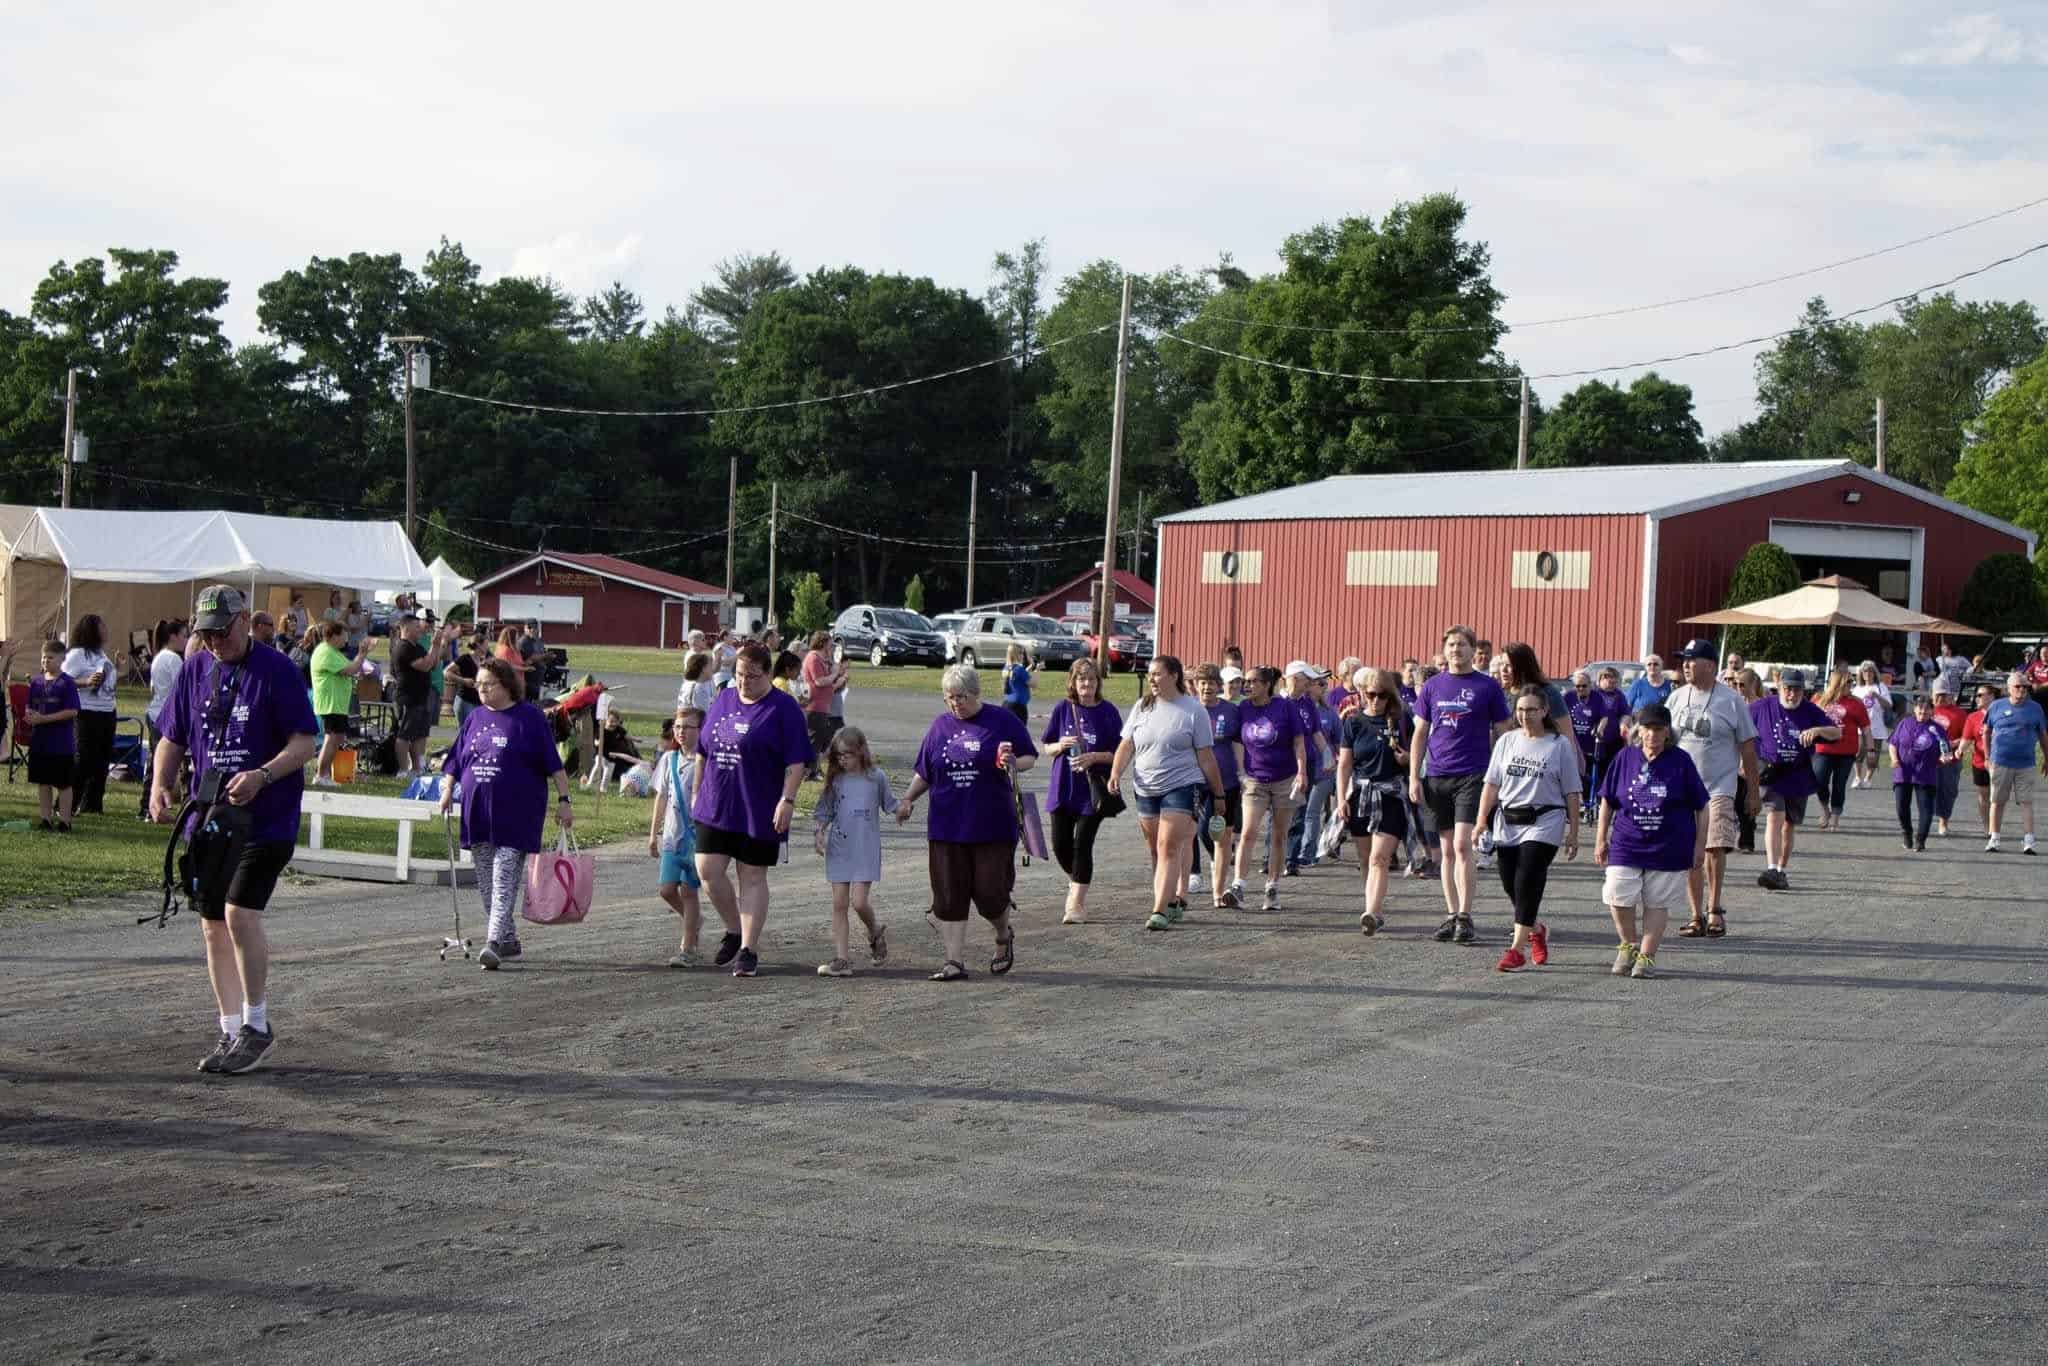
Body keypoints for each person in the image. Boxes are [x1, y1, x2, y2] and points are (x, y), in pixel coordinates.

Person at [150, 585, 318, 1074]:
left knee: (239, 913)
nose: (215, 642)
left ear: (244, 621)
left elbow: (305, 743)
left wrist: (263, 774)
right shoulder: (195, 669)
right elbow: (171, 736)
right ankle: (229, 1030)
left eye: (223, 631)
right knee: (212, 925)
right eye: (206, 634)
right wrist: (160, 784)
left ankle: (257, 1024)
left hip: (267, 816)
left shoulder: (277, 670)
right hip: (210, 818)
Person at [896, 664, 1036, 980]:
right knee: (948, 896)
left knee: (990, 894)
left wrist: (1013, 762)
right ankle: (954, 961)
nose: (956, 703)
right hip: (947, 826)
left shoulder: (1002, 720)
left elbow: (1029, 756)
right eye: (950, 697)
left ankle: (1002, 935)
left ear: (976, 694)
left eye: (962, 697)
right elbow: (925, 771)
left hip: (992, 825)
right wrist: (907, 799)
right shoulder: (939, 727)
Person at [438, 657, 573, 970]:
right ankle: (509, 940)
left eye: (489, 685)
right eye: (479, 685)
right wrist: (447, 790)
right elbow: (456, 760)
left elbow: (554, 764)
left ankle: (493, 943)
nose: (482, 690)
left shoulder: (530, 718)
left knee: (504, 878)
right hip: (479, 815)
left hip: (517, 814)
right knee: (487, 886)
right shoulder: (474, 717)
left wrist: (564, 800)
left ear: (507, 685)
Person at [694, 641, 813, 977]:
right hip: (717, 801)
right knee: (707, 870)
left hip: (758, 805)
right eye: (739, 674)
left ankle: (748, 948)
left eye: (752, 676)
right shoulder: (725, 698)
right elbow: (704, 748)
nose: (744, 681)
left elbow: (797, 761)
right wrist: (696, 791)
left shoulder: (783, 708)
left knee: (752, 875)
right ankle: (733, 929)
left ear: (768, 674)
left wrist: (787, 801)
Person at [1107, 655, 1224, 933]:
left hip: (1183, 785)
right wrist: (1116, 772)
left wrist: (1219, 794)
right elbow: (1127, 744)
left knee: (1167, 845)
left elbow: (1206, 757)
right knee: (1155, 849)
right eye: (1150, 674)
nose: (1152, 679)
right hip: (1145, 787)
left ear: (1174, 676)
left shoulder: (1193, 711)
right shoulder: (1142, 706)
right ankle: (1172, 897)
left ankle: (1159, 909)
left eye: (1157, 674)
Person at [1410, 625, 1511, 946]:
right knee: (1445, 851)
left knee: (1463, 845)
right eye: (1451, 645)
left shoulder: (1488, 687)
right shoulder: (1432, 687)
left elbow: (1504, 730)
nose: (1456, 650)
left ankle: (1466, 916)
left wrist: (1501, 773)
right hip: (1437, 775)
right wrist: (1414, 776)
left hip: (1474, 774)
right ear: (1445, 650)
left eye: (1462, 645)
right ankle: (1451, 914)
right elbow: (1420, 733)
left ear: (1472, 650)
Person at [1596, 703, 1709, 981]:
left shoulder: (1680, 761)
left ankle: (1646, 956)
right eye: (1648, 729)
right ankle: (1628, 944)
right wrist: (1600, 838)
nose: (1653, 736)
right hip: (1626, 841)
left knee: (1656, 902)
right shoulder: (1625, 757)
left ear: (1668, 733)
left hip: (1669, 844)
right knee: (1617, 893)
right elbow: (1607, 800)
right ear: (1639, 731)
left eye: (1659, 730)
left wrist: (1699, 845)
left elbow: (1702, 806)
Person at [1477, 685, 1582, 971]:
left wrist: (1573, 832)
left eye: (1532, 710)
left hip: (1545, 822)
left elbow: (1572, 791)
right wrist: (1479, 821)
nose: (1525, 715)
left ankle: (1516, 949)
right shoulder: (1507, 741)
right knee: (1511, 885)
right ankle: (1536, 929)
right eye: (1521, 709)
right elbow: (1492, 784)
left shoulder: (1558, 745)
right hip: (1508, 821)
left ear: (1545, 711)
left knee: (1528, 879)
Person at [1662, 638, 1760, 939]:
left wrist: (1754, 792)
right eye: (1684, 660)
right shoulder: (1676, 698)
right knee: (1691, 850)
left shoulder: (1730, 701)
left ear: (1710, 666)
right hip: (1683, 789)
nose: (1686, 666)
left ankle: (1715, 909)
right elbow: (1663, 740)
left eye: (1692, 660)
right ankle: (1695, 915)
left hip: (1719, 785)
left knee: (1714, 845)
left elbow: (1747, 747)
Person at [1042, 658, 1123, 924]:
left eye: (1091, 679)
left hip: (1092, 790)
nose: (1086, 684)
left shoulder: (1108, 711)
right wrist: (1061, 745)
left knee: (1082, 845)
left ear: (1098, 682)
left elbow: (1119, 754)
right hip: (1064, 786)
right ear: (1073, 682)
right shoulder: (1063, 709)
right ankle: (1078, 879)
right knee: (1060, 845)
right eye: (1081, 679)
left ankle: (1076, 905)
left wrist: (1094, 757)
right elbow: (1047, 747)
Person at [811, 726, 896, 977]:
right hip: (840, 846)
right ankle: (841, 959)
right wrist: (819, 832)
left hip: (865, 846)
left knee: (859, 902)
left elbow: (890, 804)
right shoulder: (836, 780)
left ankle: (875, 931)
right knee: (839, 903)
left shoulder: (876, 777)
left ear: (860, 751)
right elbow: (825, 811)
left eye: (846, 754)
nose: (842, 760)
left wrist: (903, 808)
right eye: (838, 756)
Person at [1750, 668, 1840, 890]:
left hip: (1798, 773)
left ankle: (1781, 871)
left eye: (1797, 690)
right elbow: (1739, 727)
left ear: (1803, 691)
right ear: (1779, 687)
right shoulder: (1762, 706)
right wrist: (1744, 761)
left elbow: (1836, 733)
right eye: (1788, 689)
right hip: (1771, 771)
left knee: (1789, 825)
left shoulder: (1810, 710)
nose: (1792, 694)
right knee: (1775, 816)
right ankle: (1771, 867)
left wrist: (1818, 729)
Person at [1336, 668, 1408, 936]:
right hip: (1361, 796)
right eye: (1370, 695)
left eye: (1381, 695)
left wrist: (1408, 759)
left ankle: (1371, 912)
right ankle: (1374, 910)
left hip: (1390, 795)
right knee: (1366, 858)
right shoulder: (1353, 723)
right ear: (1362, 694)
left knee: (1380, 857)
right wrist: (1341, 798)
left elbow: (1419, 755)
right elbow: (1344, 764)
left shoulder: (1402, 721)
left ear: (1390, 696)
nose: (1375, 700)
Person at [1232, 665, 1306, 911]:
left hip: (1284, 779)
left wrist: (1302, 772)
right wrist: (1241, 772)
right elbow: (1236, 741)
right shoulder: (1243, 708)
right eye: (1247, 681)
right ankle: (1238, 884)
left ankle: (1272, 887)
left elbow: (1298, 742)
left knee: (1278, 834)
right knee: (1248, 832)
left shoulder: (1285, 707)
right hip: (1254, 779)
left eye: (1253, 682)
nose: (1248, 686)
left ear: (1266, 685)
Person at [649, 706, 705, 967]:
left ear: (700, 730)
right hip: (672, 836)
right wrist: (653, 834)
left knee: (689, 891)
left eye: (688, 727)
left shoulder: (705, 761)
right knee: (666, 890)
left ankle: (688, 948)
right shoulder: (669, 760)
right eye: (678, 727)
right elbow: (661, 797)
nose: (681, 732)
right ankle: (693, 923)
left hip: (695, 837)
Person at [1190, 663, 1242, 911]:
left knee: (1223, 837)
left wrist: (1243, 774)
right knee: (1201, 830)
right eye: (1202, 683)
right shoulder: (1188, 710)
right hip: (1195, 782)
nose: (1207, 687)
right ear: (1196, 686)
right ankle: (1190, 879)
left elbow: (1239, 744)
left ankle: (1219, 892)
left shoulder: (1231, 711)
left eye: (1211, 683)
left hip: (1228, 781)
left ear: (1218, 686)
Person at [1982, 668, 2048, 854]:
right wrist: (1987, 757)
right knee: (1997, 801)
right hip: (2000, 761)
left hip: (2026, 763)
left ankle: (2029, 841)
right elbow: (1986, 731)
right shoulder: (1996, 706)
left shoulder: (2035, 708)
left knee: (2026, 802)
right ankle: (1994, 838)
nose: (2022, 690)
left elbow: (2043, 735)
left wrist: (2047, 758)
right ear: (2009, 688)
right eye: (2018, 686)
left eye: (2025, 687)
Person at [61, 613, 118, 817]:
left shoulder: (101, 655)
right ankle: (67, 804)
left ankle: (92, 805)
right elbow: (61, 680)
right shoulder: (78, 655)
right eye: (102, 625)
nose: (106, 629)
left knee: (102, 760)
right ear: (92, 630)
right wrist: (85, 682)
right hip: (86, 713)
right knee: (83, 759)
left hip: (107, 713)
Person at [1284, 663, 1338, 873]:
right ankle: (1273, 857)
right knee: (1280, 814)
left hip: (1310, 765)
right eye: (1314, 681)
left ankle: (1295, 858)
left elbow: (1317, 734)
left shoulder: (1312, 707)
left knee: (1303, 812)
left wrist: (1327, 756)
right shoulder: (1280, 702)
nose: (1318, 685)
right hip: (1284, 765)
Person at [309, 621, 378, 785]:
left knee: (337, 737)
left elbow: (351, 667)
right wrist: (362, 653)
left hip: (337, 704)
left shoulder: (334, 652)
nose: (346, 639)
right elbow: (350, 670)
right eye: (343, 635)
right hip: (330, 703)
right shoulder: (325, 652)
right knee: (331, 738)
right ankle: (321, 775)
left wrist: (361, 656)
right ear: (333, 636)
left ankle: (325, 773)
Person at [388, 613, 452, 778]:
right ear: (407, 628)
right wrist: (435, 644)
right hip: (407, 698)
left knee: (420, 734)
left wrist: (437, 645)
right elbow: (424, 665)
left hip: (421, 697)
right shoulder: (403, 647)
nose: (420, 630)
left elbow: (433, 663)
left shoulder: (417, 646)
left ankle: (417, 768)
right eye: (417, 627)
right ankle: (403, 770)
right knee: (404, 735)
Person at [1887, 694, 1952, 852]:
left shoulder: (1936, 729)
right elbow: (1893, 743)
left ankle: (1921, 839)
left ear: (1932, 711)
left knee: (1926, 809)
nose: (1922, 714)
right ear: (1915, 709)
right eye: (1920, 710)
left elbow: (1945, 749)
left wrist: (1945, 758)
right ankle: (1907, 833)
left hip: (1925, 773)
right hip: (1904, 772)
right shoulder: (1905, 723)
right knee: (1901, 807)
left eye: (1926, 711)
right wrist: (1894, 759)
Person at [28, 640, 80, 831]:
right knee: (43, 781)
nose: (45, 661)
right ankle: (45, 818)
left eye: (50, 657)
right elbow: (31, 706)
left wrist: (45, 719)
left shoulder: (67, 683)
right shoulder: (35, 682)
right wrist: (29, 715)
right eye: (43, 657)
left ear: (62, 659)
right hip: (40, 741)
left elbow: (73, 711)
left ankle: (65, 821)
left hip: (61, 742)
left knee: (63, 783)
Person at [1811, 668, 1869, 832]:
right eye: (1848, 682)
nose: (1851, 685)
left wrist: (1870, 750)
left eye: (1852, 682)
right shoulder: (1819, 699)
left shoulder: (1856, 703)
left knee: (1839, 784)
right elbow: (1808, 721)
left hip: (1846, 751)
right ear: (1838, 683)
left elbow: (1866, 729)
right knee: (1818, 779)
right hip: (1822, 748)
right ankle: (1825, 808)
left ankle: (1835, 815)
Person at [800, 630, 848, 774]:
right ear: (822, 643)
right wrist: (834, 675)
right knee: (814, 740)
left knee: (819, 740)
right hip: (814, 706)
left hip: (822, 706)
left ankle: (812, 770)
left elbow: (827, 685)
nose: (831, 646)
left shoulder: (822, 659)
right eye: (829, 643)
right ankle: (808, 771)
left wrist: (838, 679)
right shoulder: (813, 658)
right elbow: (819, 681)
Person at [1929, 681, 1969, 837]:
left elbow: (1967, 736)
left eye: (1944, 694)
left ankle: (1943, 822)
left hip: (1951, 759)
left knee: (1949, 790)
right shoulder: (1927, 710)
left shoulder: (1959, 713)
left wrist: (1953, 743)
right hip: (1930, 758)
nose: (1941, 698)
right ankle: (1926, 818)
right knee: (1928, 789)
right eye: (1938, 694)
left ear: (1950, 695)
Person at [1959, 682, 1998, 833]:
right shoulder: (1973, 717)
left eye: (1981, 695)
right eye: (1977, 695)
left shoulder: (2000, 713)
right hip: (1980, 762)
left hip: (2000, 762)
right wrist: (1960, 750)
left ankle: (1995, 827)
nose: (1977, 698)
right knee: (1983, 795)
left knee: (1996, 797)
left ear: (1991, 697)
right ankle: (1988, 826)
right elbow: (1967, 738)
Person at [1851, 663, 1891, 788]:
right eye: (1865, 672)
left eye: (1870, 671)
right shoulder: (1857, 689)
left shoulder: (1881, 687)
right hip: (1860, 727)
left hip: (1877, 727)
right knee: (1858, 753)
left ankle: (1868, 778)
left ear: (1874, 673)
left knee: (1873, 756)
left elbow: (1889, 705)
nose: (1867, 674)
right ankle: (1857, 777)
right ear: (1861, 674)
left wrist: (1876, 696)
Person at [448, 634, 487, 725]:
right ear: (478, 645)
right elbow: (447, 672)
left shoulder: (482, 661)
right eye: (485, 644)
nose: (487, 647)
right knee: (465, 732)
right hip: (465, 701)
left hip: (478, 702)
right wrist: (463, 681)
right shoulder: (464, 658)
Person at [1001, 642, 1033, 723]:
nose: (1023, 656)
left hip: (1007, 704)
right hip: (1018, 707)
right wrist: (1038, 670)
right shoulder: (1019, 669)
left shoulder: (1006, 668)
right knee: (1019, 732)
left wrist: (1029, 669)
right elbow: (1033, 684)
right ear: (1015, 654)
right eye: (1021, 653)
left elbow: (1017, 678)